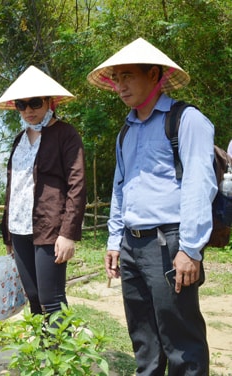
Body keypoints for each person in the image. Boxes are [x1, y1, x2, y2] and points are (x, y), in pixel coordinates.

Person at [87, 38, 214, 375]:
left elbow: (199, 185)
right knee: (144, 340)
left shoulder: (186, 121)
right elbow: (121, 188)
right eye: (116, 78)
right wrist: (115, 241)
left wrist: (190, 248)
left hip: (169, 243)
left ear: (154, 74)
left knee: (181, 340)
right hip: (132, 243)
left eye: (127, 76)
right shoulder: (126, 132)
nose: (120, 86)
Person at [0, 66, 87, 321]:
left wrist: (68, 233)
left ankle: (59, 357)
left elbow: (77, 184)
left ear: (49, 101)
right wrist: (7, 234)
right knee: (33, 295)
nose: (28, 110)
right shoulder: (19, 139)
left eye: (34, 102)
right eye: (22, 104)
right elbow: (14, 187)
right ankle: (42, 356)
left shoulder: (66, 134)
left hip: (49, 227)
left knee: (51, 298)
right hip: (19, 227)